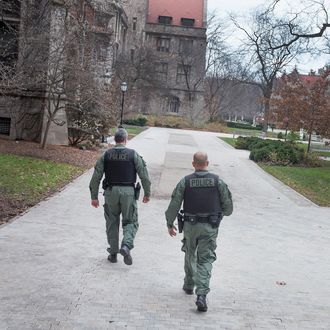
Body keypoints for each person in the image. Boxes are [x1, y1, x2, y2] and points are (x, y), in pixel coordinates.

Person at [165, 152, 233, 312]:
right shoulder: (218, 182)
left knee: (189, 253)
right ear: (207, 163)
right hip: (210, 227)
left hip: (190, 226)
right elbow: (228, 209)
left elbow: (174, 204)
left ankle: (189, 285)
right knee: (205, 259)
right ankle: (201, 295)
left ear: (193, 164)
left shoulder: (185, 181)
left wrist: (170, 223)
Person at [89, 128, 151, 266]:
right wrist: (147, 193)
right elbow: (144, 176)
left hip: (111, 192)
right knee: (130, 221)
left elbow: (96, 177)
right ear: (125, 140)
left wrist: (94, 196)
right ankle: (126, 246)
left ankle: (113, 253)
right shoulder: (133, 155)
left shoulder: (106, 155)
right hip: (128, 192)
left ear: (115, 140)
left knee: (112, 222)